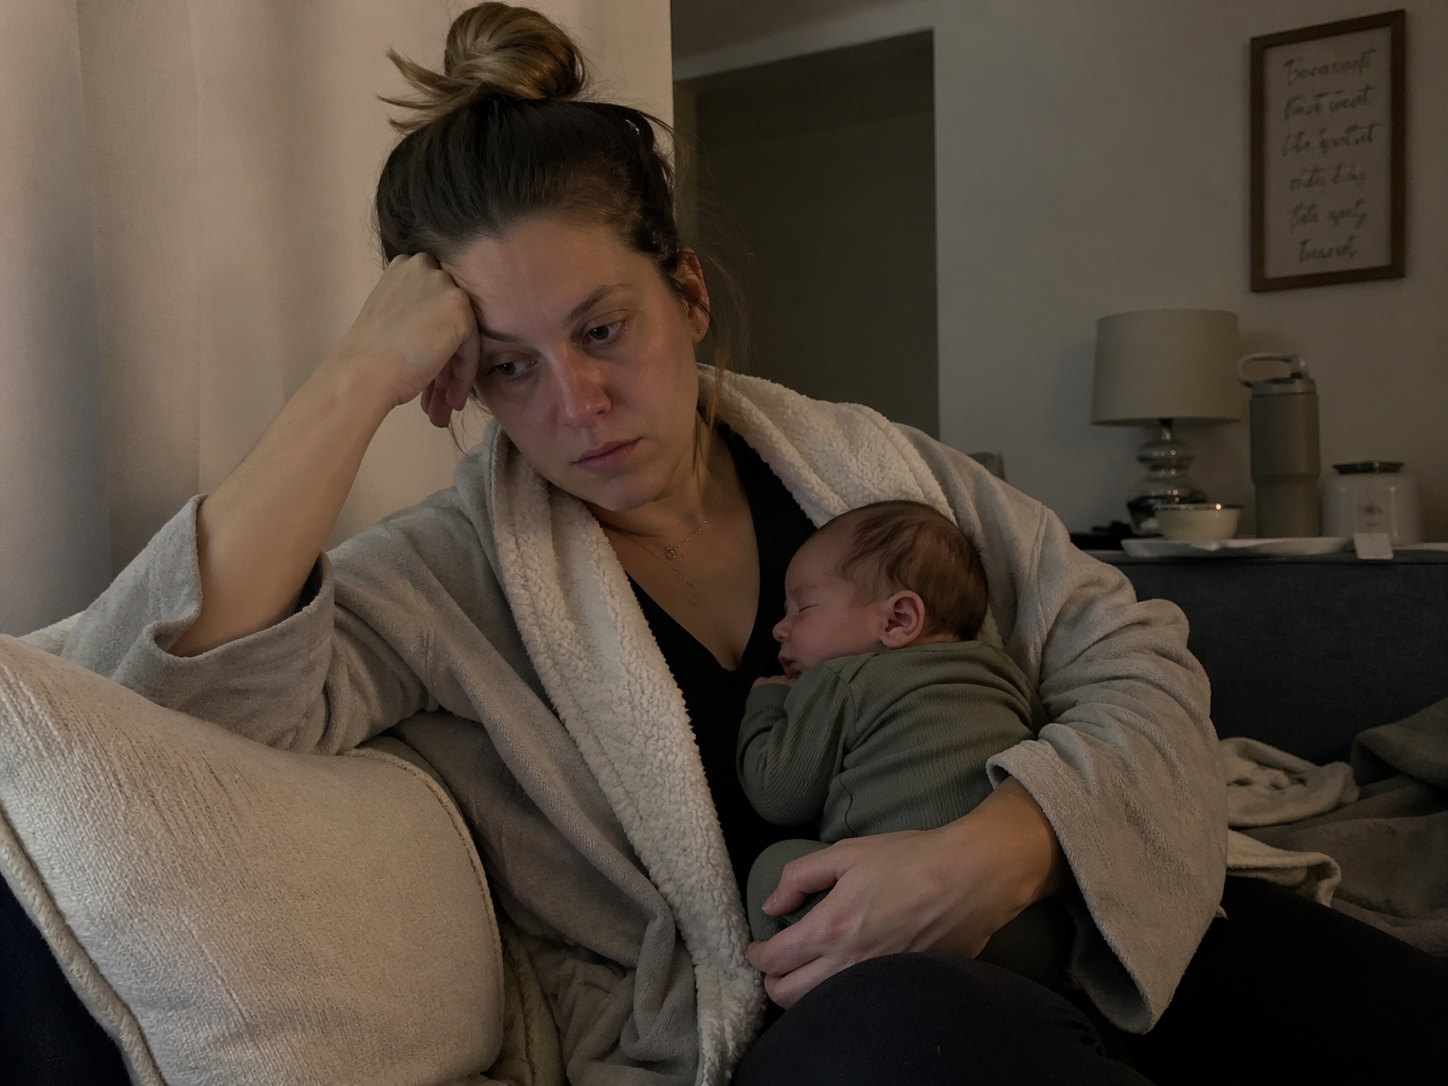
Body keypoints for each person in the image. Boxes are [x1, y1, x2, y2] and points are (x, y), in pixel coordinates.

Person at [5, 4, 1442, 1085]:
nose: (576, 404)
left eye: (603, 328)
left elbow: (1130, 650)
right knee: (911, 1027)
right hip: (811, 1027)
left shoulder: (876, 470)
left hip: (1061, 917)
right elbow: (165, 702)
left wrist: (1003, 848)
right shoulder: (446, 581)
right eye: (506, 367)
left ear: (687, 294)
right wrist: (348, 383)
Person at [737, 500, 1071, 986]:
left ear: (898, 619)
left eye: (803, 608)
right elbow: (1046, 757)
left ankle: (814, 993)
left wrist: (767, 707)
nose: (779, 628)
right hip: (1025, 928)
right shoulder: (1005, 673)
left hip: (882, 923)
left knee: (777, 868)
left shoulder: (839, 679)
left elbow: (779, 795)